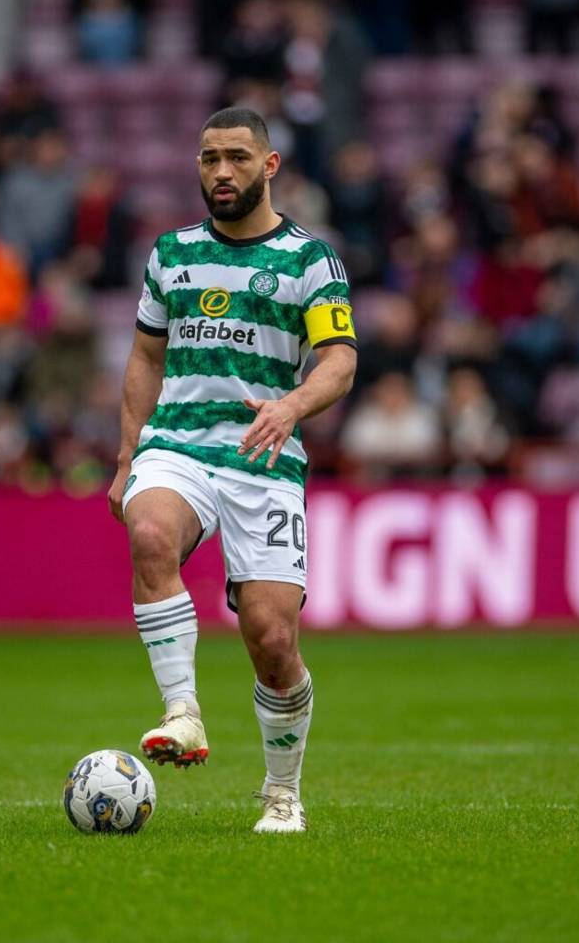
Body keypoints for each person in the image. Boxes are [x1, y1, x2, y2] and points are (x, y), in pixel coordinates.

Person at [106, 107, 357, 833]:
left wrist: (291, 406)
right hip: (177, 444)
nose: (221, 172)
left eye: (238, 158)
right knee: (150, 533)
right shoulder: (171, 253)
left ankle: (282, 791)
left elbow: (339, 361)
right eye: (210, 158)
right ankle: (182, 712)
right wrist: (127, 456)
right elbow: (145, 356)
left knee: (273, 641)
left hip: (264, 457)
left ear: (269, 166)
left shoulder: (310, 261)